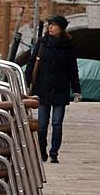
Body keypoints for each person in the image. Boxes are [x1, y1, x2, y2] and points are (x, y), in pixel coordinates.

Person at [28, 15, 80, 164]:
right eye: (49, 25)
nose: (50, 27)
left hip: (60, 89)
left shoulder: (68, 46)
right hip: (43, 87)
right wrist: (26, 82)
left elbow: (72, 69)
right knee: (42, 124)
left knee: (57, 123)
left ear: (61, 28)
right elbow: (32, 63)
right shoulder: (42, 43)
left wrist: (76, 89)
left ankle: (54, 152)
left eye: (54, 25)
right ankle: (42, 150)